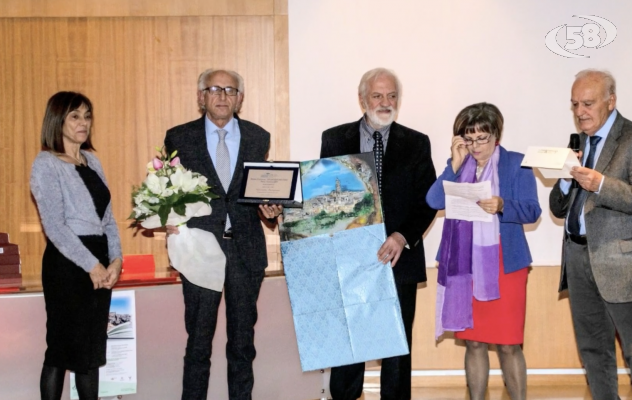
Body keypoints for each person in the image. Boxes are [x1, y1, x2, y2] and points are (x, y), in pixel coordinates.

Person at [164, 68, 282, 400]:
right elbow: (168, 191)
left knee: (243, 345)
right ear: (201, 96)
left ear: (240, 99)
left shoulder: (259, 137)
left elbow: (260, 193)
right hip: (199, 252)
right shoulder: (179, 137)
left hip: (245, 251)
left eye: (230, 91)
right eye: (214, 89)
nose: (222, 96)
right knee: (198, 344)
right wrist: (168, 218)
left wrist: (270, 212)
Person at [320, 68, 437, 400]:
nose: (385, 103)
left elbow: (427, 202)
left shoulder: (416, 142)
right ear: (362, 99)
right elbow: (324, 196)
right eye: (377, 95)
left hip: (399, 255)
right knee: (349, 342)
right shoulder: (334, 138)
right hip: (349, 259)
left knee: (397, 345)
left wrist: (401, 236)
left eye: (392, 96)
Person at [426, 102, 541, 400]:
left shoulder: (517, 163)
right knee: (474, 342)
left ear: (496, 136)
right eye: (469, 138)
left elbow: (532, 211)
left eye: (482, 138)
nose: (475, 146)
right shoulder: (458, 165)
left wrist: (503, 205)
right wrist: (453, 163)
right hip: (465, 264)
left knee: (508, 343)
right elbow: (434, 200)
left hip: (505, 264)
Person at [30, 92, 123, 400]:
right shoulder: (46, 165)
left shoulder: (92, 160)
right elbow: (55, 227)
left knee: (91, 350)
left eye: (87, 116)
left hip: (99, 259)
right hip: (67, 265)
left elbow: (108, 219)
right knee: (61, 349)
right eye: (75, 116)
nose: (84, 123)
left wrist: (115, 260)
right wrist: (92, 265)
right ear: (58, 121)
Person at [550, 69, 632, 400]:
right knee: (593, 351)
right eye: (575, 105)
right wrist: (568, 178)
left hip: (621, 265)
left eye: (588, 103)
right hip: (577, 257)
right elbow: (557, 208)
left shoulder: (629, 137)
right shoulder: (579, 142)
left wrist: (600, 184)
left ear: (610, 101)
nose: (580, 112)